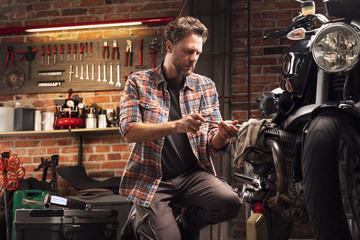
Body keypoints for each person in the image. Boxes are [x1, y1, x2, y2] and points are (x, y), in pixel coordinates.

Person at [119, 16, 241, 240]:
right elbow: (129, 131)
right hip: (153, 179)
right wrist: (177, 125)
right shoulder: (138, 82)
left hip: (192, 176)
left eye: (197, 53)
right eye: (188, 51)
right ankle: (142, 222)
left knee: (229, 202)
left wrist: (222, 136)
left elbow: (213, 141)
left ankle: (183, 223)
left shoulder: (205, 86)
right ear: (169, 46)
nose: (193, 58)